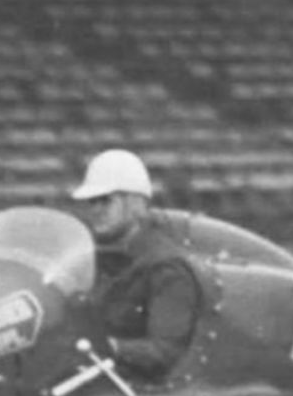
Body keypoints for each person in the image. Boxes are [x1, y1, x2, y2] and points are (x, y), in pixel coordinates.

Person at [69, 149, 202, 382]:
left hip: (137, 395)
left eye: (106, 200)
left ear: (134, 203)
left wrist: (109, 346)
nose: (96, 210)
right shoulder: (98, 258)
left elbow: (165, 352)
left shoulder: (165, 268)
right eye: (92, 202)